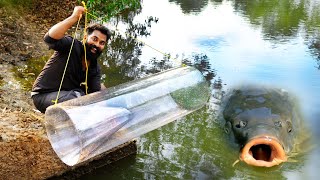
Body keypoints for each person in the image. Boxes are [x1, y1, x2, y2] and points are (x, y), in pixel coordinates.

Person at [31, 6, 111, 113]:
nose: (97, 45)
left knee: (102, 90)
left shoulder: (94, 67)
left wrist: (107, 106)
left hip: (68, 96)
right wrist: (73, 17)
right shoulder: (71, 45)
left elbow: (95, 94)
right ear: (85, 37)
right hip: (43, 96)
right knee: (79, 98)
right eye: (94, 39)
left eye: (102, 43)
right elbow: (49, 38)